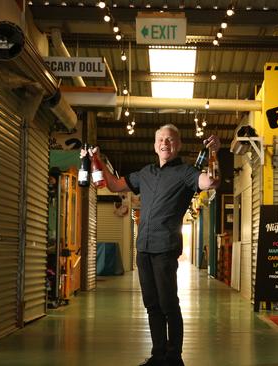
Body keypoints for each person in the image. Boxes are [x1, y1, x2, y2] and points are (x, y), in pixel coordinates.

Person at [81, 124, 220, 366]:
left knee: (168, 304)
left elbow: (211, 182)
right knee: (152, 304)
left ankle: (174, 357)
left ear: (178, 145)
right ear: (155, 145)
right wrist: (96, 160)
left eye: (170, 139)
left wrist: (214, 153)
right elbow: (113, 185)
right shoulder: (145, 173)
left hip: (165, 248)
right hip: (143, 248)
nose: (165, 143)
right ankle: (158, 356)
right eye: (161, 140)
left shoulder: (186, 173)